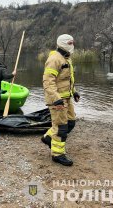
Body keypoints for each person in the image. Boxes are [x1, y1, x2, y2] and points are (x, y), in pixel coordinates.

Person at [41, 34, 80, 166]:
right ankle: (57, 154)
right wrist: (56, 99)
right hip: (57, 99)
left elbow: (68, 79)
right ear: (63, 44)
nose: (72, 46)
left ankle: (48, 137)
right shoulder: (54, 59)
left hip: (66, 98)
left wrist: (74, 92)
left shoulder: (67, 58)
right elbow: (48, 81)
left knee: (71, 123)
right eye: (70, 43)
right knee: (61, 127)